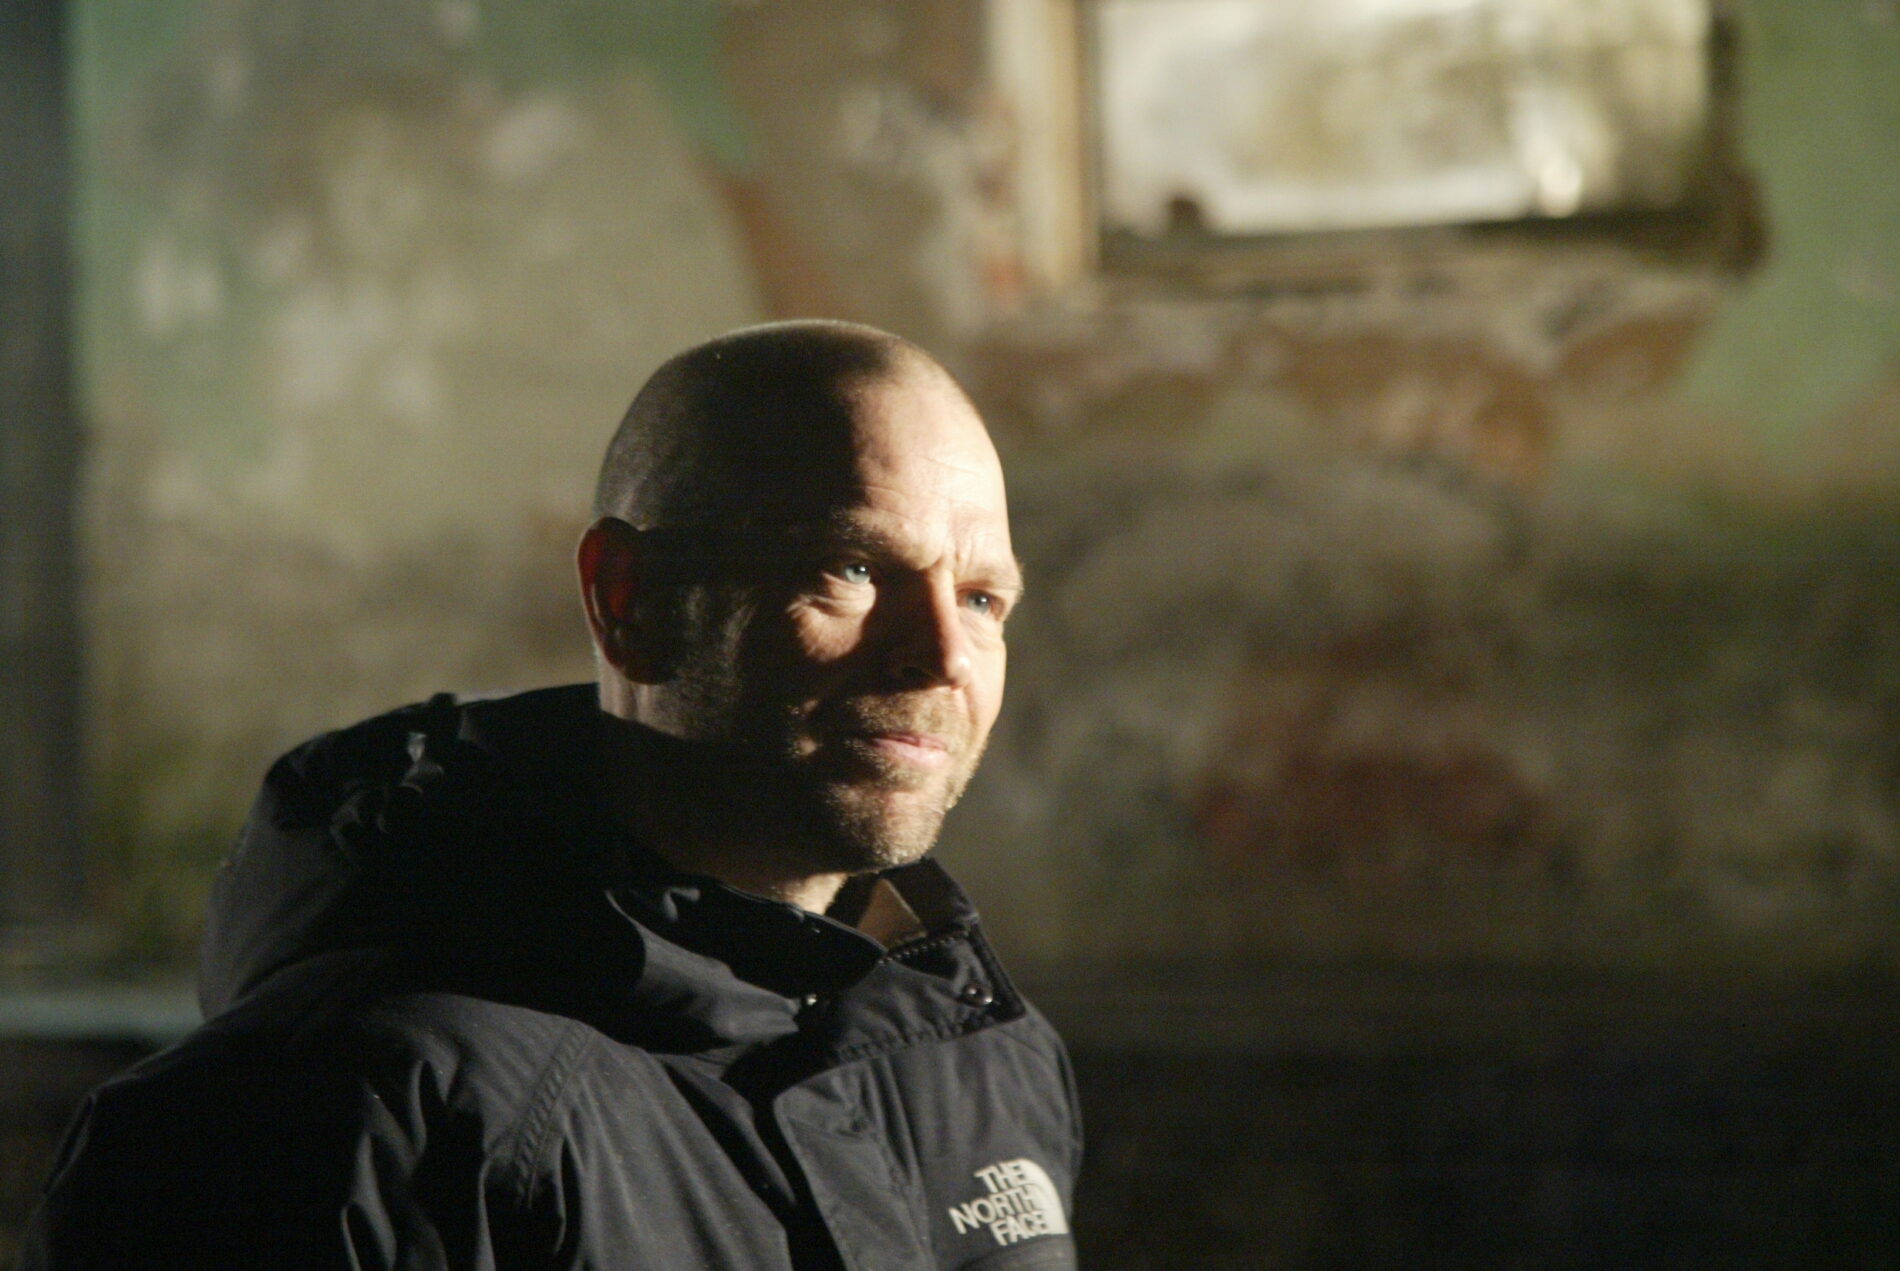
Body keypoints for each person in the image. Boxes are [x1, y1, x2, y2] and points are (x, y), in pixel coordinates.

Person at [24, 321, 1082, 1270]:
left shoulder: (979, 1052)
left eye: (981, 596)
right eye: (850, 567)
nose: (945, 652)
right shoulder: (318, 1122)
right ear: (629, 599)